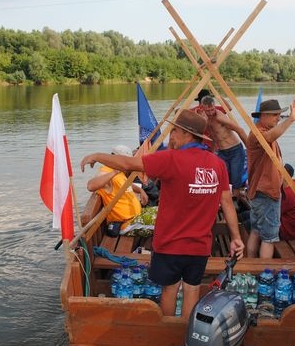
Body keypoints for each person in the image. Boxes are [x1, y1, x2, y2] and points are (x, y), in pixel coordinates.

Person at [81, 109, 244, 318]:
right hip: (200, 246)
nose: (171, 136)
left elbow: (128, 164)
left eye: (174, 131)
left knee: (170, 288)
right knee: (192, 289)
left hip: (170, 244)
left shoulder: (170, 159)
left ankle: (168, 332)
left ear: (187, 134)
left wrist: (97, 155)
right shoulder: (218, 164)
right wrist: (236, 238)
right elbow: (227, 204)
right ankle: (185, 335)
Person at [245, 98, 295, 258]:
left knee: (256, 232)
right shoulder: (258, 135)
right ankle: (264, 273)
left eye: (280, 115)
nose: (278, 118)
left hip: (259, 192)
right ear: (263, 116)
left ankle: (252, 265)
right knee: (269, 238)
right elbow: (271, 136)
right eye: (275, 115)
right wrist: (291, 119)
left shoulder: (260, 132)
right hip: (266, 194)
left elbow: (272, 135)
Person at [85, 144, 147, 232]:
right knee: (163, 222)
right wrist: (115, 171)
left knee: (166, 213)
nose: (127, 164)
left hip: (137, 217)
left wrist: (141, 190)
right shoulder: (106, 172)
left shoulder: (120, 172)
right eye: (124, 160)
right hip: (126, 224)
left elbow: (126, 185)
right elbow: (90, 186)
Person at [197, 95, 248, 189]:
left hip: (234, 150)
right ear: (202, 108)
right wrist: (212, 152)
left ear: (214, 106)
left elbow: (239, 130)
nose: (211, 112)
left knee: (236, 179)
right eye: (208, 111)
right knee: (221, 177)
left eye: (212, 109)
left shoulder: (220, 117)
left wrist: (250, 149)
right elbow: (213, 137)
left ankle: (236, 197)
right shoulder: (205, 119)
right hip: (221, 152)